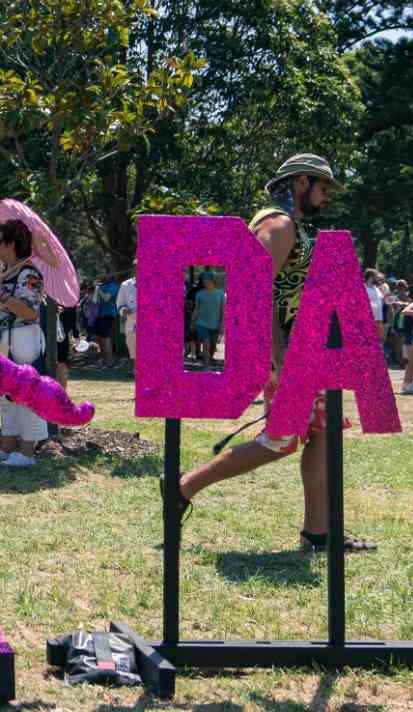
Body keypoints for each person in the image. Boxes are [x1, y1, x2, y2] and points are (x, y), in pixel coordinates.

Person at [169, 153, 374, 554]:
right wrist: (280, 359)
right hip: (285, 351)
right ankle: (183, 487)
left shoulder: (288, 224)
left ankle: (319, 534)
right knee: (280, 441)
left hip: (304, 348)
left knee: (323, 432)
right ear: (300, 183)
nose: (328, 195)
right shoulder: (277, 226)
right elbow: (252, 295)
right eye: (323, 186)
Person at [0, 220, 47, 468]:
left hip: (24, 337)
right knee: (7, 395)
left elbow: (30, 311)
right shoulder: (7, 272)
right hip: (2, 339)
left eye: (0, 240)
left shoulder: (30, 274)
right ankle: (7, 445)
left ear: (11, 243)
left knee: (27, 394)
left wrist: (1, 293)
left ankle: (28, 451)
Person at [192, 273, 225, 367]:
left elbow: (223, 311)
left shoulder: (221, 294)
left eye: (206, 280)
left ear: (212, 281)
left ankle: (209, 360)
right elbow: (196, 309)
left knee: (213, 345)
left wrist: (222, 324)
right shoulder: (199, 294)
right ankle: (206, 364)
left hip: (215, 324)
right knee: (206, 343)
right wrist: (192, 322)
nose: (205, 282)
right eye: (203, 281)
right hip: (201, 323)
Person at [115, 269, 138, 369]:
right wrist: (124, 310)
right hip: (133, 321)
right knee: (133, 349)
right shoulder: (126, 285)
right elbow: (120, 304)